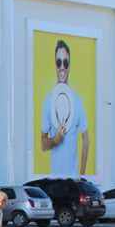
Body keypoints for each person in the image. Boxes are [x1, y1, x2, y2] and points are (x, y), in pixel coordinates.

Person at [40, 40, 90, 176]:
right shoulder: (48, 101)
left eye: (65, 63)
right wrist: (55, 140)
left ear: (69, 66)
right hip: (55, 182)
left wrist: (81, 176)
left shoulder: (77, 101)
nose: (62, 67)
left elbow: (86, 139)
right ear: (55, 65)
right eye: (58, 62)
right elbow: (43, 145)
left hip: (73, 181)